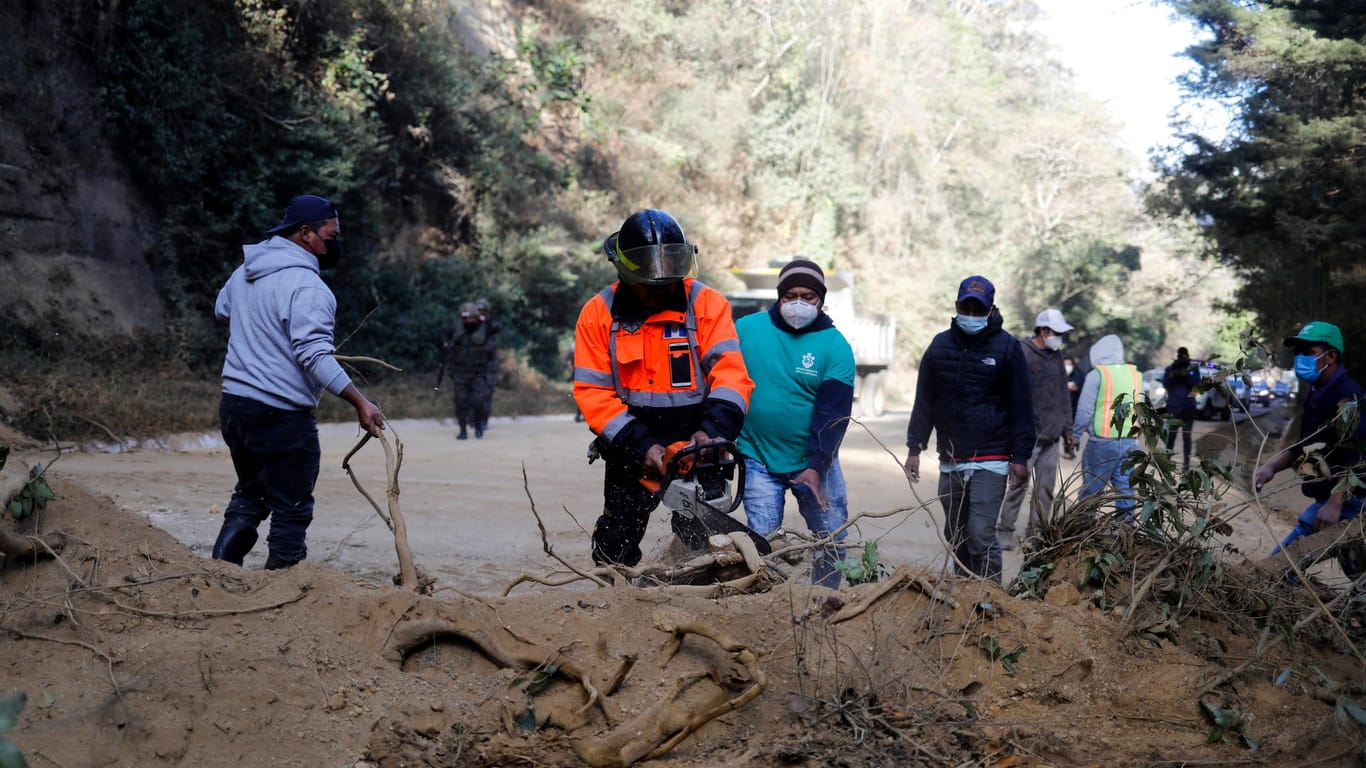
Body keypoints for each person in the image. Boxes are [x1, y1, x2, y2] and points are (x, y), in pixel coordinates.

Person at [211, 194, 385, 570]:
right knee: (292, 508)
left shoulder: (246, 271)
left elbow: (222, 308)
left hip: (235, 407)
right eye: (330, 234)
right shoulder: (308, 287)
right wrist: (360, 401)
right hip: (281, 415)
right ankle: (283, 591)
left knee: (251, 492)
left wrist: (258, 330)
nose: (335, 243)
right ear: (306, 234)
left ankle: (218, 573)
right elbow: (313, 355)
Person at [572, 209, 754, 567]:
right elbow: (594, 394)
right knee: (615, 544)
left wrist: (712, 433)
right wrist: (643, 446)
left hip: (698, 442)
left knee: (705, 548)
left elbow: (731, 375)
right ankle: (616, 599)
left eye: (666, 284)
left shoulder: (706, 304)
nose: (657, 292)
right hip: (631, 444)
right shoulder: (598, 314)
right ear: (624, 270)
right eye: (647, 286)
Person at [904, 276, 1033, 582]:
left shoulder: (1008, 348)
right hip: (950, 458)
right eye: (967, 307)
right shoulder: (939, 346)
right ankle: (963, 595)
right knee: (956, 534)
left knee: (980, 533)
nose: (972, 315)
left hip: (992, 456)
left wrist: (1021, 457)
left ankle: (988, 603)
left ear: (991, 310)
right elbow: (925, 400)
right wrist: (914, 448)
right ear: (957, 306)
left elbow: (1022, 406)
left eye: (979, 309)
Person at [736, 259, 856, 587]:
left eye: (808, 296)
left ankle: (823, 601)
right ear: (779, 296)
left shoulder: (835, 346)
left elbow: (833, 416)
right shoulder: (746, 330)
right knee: (763, 540)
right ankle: (767, 603)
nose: (798, 303)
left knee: (831, 536)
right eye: (790, 295)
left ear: (821, 299)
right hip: (757, 455)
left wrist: (818, 464)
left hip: (814, 460)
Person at [1254, 321, 1364, 574]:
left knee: (1281, 568)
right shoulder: (1319, 391)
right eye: (1298, 352)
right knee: (1358, 574)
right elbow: (1306, 446)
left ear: (1331, 356)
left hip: (1349, 500)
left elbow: (1358, 453)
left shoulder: (1349, 396)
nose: (1300, 358)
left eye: (1308, 352)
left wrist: (1335, 503)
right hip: (1337, 499)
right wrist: (1271, 467)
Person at [996, 308, 1076, 551]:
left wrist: (1067, 429)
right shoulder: (1021, 351)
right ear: (1043, 331)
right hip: (1026, 437)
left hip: (1051, 437)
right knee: (1017, 485)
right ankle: (1005, 532)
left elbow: (1063, 393)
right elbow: (1008, 393)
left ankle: (1035, 536)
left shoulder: (1056, 355)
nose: (1059, 337)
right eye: (1057, 332)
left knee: (1045, 490)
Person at [1072, 334, 1142, 517]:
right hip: (1129, 442)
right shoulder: (1135, 375)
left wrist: (1075, 436)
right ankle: (1126, 534)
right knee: (1124, 490)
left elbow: (1085, 410)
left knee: (1092, 491)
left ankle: (1082, 530)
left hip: (1101, 443)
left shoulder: (1097, 375)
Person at [444, 302, 497, 439]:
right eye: (465, 318)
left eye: (471, 318)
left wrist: (485, 320)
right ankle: (463, 430)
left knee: (478, 401)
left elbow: (497, 327)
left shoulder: (485, 327)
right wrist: (446, 345)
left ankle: (478, 425)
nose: (468, 321)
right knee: (461, 402)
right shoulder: (457, 328)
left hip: (479, 372)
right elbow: (443, 336)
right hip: (460, 372)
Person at [1162, 346, 1199, 471]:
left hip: (1188, 407)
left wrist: (1186, 375)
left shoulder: (1193, 369)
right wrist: (1172, 375)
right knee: (1171, 436)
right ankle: (1167, 462)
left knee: (1187, 436)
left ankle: (1186, 464)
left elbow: (1196, 385)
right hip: (1173, 407)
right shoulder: (1170, 368)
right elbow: (1165, 384)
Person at [473, 297, 500, 433]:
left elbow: (496, 327)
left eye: (483, 311)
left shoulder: (491, 324)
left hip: (489, 365)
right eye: (479, 310)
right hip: (474, 365)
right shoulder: (471, 325)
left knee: (486, 394)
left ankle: (484, 421)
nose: (481, 313)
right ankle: (474, 420)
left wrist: (486, 322)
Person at [1063, 354, 1084, 459]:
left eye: (1069, 364)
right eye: (1065, 364)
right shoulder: (1057, 375)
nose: (1067, 366)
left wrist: (1076, 388)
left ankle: (1070, 449)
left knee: (1070, 430)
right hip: (1059, 409)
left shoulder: (1078, 376)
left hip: (1073, 408)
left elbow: (1081, 391)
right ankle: (1068, 448)